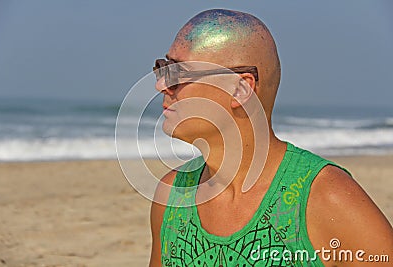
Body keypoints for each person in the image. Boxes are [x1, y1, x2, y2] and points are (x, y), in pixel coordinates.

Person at [149, 9, 393, 266]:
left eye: (179, 73)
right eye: (163, 68)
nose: (161, 85)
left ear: (240, 89)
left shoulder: (323, 196)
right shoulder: (172, 197)